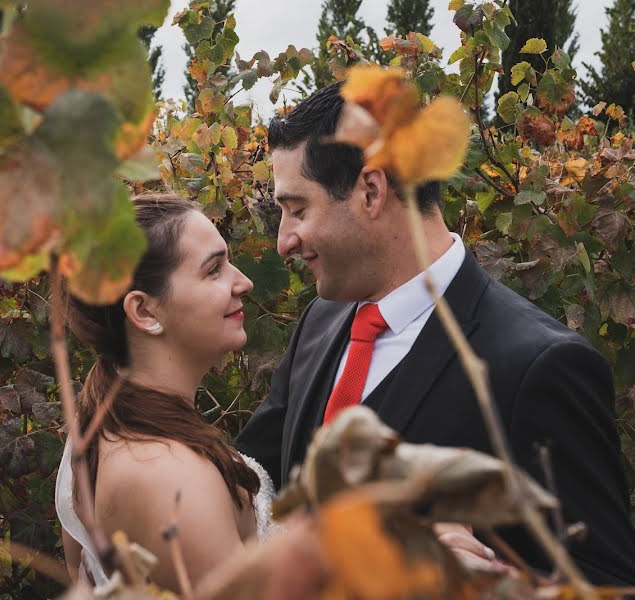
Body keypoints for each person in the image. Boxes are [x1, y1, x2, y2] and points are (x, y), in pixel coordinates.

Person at [235, 82, 635, 584]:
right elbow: (254, 477)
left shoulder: (538, 367)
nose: (283, 242)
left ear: (372, 192)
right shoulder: (319, 322)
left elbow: (608, 581)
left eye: (298, 210)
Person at [55, 194, 278, 592]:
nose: (243, 282)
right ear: (144, 312)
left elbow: (79, 575)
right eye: (214, 270)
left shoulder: (100, 420)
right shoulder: (175, 483)